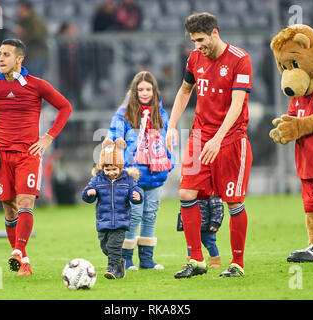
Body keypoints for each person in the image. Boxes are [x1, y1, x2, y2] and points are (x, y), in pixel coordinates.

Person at [0, 39, 72, 276]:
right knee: (9, 210)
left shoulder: (37, 85)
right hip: (1, 156)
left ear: (19, 59)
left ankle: (18, 251)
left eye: (6, 54)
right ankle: (23, 261)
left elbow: (65, 107)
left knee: (26, 203)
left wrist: (47, 138)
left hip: (28, 154)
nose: (1, 58)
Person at [166, 12, 253, 278]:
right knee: (185, 194)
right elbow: (184, 91)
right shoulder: (195, 57)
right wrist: (171, 125)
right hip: (200, 136)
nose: (197, 45)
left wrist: (218, 138)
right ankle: (196, 260)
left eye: (201, 39)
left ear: (215, 33)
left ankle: (237, 263)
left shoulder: (240, 60)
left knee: (233, 201)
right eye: (193, 40)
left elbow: (237, 104)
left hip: (230, 138)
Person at [106, 71, 173, 270]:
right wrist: (120, 164)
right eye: (141, 89)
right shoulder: (124, 115)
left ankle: (147, 260)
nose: (145, 93)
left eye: (148, 89)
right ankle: (126, 259)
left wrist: (169, 163)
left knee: (150, 214)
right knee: (134, 214)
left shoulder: (161, 115)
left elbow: (168, 142)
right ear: (134, 92)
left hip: (155, 174)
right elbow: (115, 137)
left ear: (154, 91)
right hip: (132, 174)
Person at [82, 139, 143, 279]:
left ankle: (112, 269)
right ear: (102, 168)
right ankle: (120, 265)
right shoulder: (97, 180)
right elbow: (86, 194)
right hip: (103, 221)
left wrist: (137, 196)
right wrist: (89, 193)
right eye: (107, 169)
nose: (110, 173)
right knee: (106, 248)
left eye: (114, 169)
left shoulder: (128, 180)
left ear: (120, 168)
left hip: (120, 221)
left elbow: (136, 192)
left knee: (114, 247)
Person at [177, 194, 224, 268]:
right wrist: (182, 224)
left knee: (210, 243)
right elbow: (183, 210)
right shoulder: (189, 193)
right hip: (192, 226)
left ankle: (215, 261)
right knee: (191, 244)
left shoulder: (211, 194)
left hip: (207, 226)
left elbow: (217, 208)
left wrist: (215, 223)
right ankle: (192, 262)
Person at [13, 1, 48, 78]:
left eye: (20, 10)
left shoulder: (35, 21)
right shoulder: (23, 21)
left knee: (34, 79)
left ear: (26, 10)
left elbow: (40, 35)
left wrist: (23, 32)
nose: (18, 12)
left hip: (36, 55)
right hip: (29, 55)